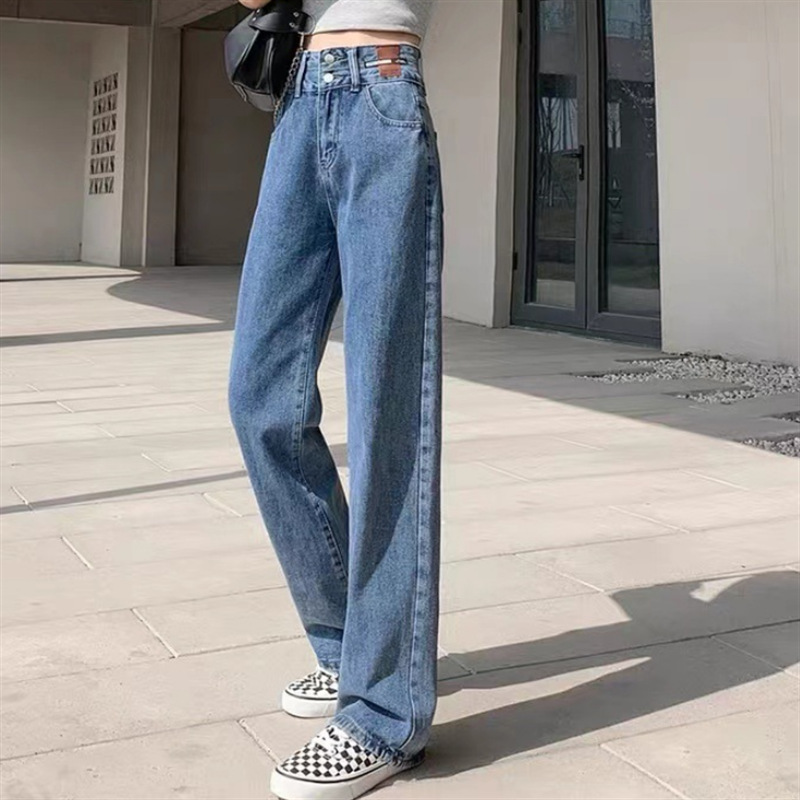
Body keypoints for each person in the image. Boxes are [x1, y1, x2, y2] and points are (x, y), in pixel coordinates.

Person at [227, 1, 442, 798]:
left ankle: (385, 712)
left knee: (388, 412)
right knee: (260, 397)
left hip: (381, 90)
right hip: (299, 100)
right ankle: (349, 646)